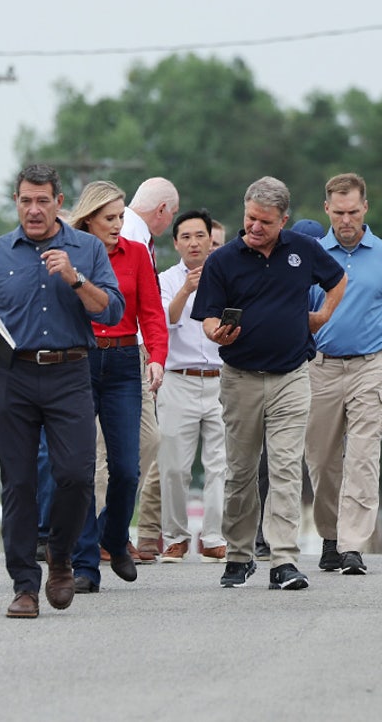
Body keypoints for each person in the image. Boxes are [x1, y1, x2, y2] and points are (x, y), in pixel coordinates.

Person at [0, 163, 123, 618]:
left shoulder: (87, 249)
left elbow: (110, 312)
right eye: (26, 200)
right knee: (19, 483)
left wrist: (75, 278)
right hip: (13, 375)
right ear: (16, 201)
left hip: (70, 373)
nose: (34, 209)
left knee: (74, 474)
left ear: (59, 203)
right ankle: (24, 586)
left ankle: (62, 556)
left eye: (42, 201)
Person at [194, 177, 346, 591]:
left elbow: (337, 280)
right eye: (249, 218)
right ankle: (240, 554)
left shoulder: (304, 250)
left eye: (264, 221)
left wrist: (323, 315)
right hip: (240, 377)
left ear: (284, 220)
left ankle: (283, 559)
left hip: (292, 375)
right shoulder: (223, 260)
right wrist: (216, 332)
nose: (254, 227)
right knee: (241, 472)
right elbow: (207, 316)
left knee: (284, 469)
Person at [305, 173, 382, 576]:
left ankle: (353, 544)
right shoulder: (313, 254)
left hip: (371, 365)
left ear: (365, 208)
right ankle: (330, 537)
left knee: (363, 456)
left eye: (353, 211)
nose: (346, 220)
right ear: (327, 210)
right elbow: (298, 315)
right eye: (338, 212)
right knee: (321, 460)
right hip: (320, 367)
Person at [66, 181, 165, 593]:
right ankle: (86, 562)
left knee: (127, 467)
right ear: (89, 219)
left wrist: (157, 357)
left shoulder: (137, 253)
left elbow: (152, 310)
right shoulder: (70, 254)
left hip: (126, 361)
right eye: (110, 218)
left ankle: (112, 534)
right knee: (82, 467)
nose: (118, 225)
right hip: (79, 361)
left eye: (122, 216)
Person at [156, 209, 229, 563]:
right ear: (176, 243)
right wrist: (186, 290)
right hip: (178, 378)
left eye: (199, 235)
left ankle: (214, 536)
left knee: (220, 464)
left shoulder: (228, 275)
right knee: (174, 466)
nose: (194, 242)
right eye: (185, 237)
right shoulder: (166, 279)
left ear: (210, 239)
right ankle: (175, 536)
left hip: (221, 378)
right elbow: (162, 320)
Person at [121, 176, 179, 563]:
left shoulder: (139, 233)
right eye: (172, 216)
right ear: (162, 211)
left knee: (144, 440)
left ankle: (112, 524)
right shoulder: (129, 232)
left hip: (139, 348)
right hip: (122, 347)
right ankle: (107, 526)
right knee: (119, 445)